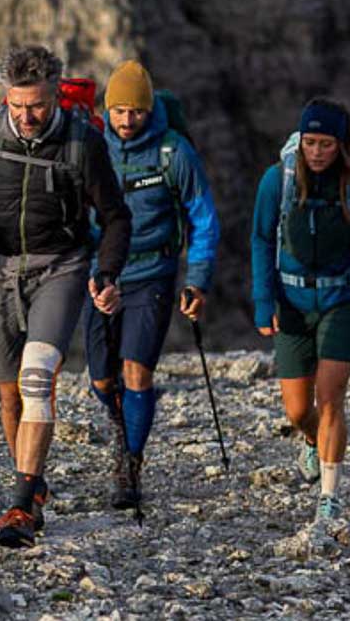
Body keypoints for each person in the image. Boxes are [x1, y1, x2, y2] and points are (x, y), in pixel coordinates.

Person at [0, 45, 131, 548]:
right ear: (5, 98)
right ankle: (31, 487)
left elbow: (116, 216)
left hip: (61, 268)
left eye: (36, 105)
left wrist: (108, 272)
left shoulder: (83, 142)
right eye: (17, 106)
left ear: (55, 94)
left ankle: (19, 507)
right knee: (9, 390)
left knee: (37, 380)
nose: (27, 116)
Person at [251, 96, 350, 522]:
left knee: (330, 395)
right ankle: (309, 440)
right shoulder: (276, 181)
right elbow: (262, 239)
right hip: (292, 301)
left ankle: (329, 498)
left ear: (342, 144)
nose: (317, 152)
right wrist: (264, 301)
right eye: (310, 142)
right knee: (299, 410)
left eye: (326, 144)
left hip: (343, 301)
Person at [78, 61, 219, 511]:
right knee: (101, 377)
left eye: (135, 111)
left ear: (149, 109)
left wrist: (196, 280)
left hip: (152, 274)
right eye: (118, 111)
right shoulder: (93, 146)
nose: (126, 121)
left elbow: (203, 218)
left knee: (137, 371)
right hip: (102, 274)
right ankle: (124, 425)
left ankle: (130, 465)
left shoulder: (173, 153)